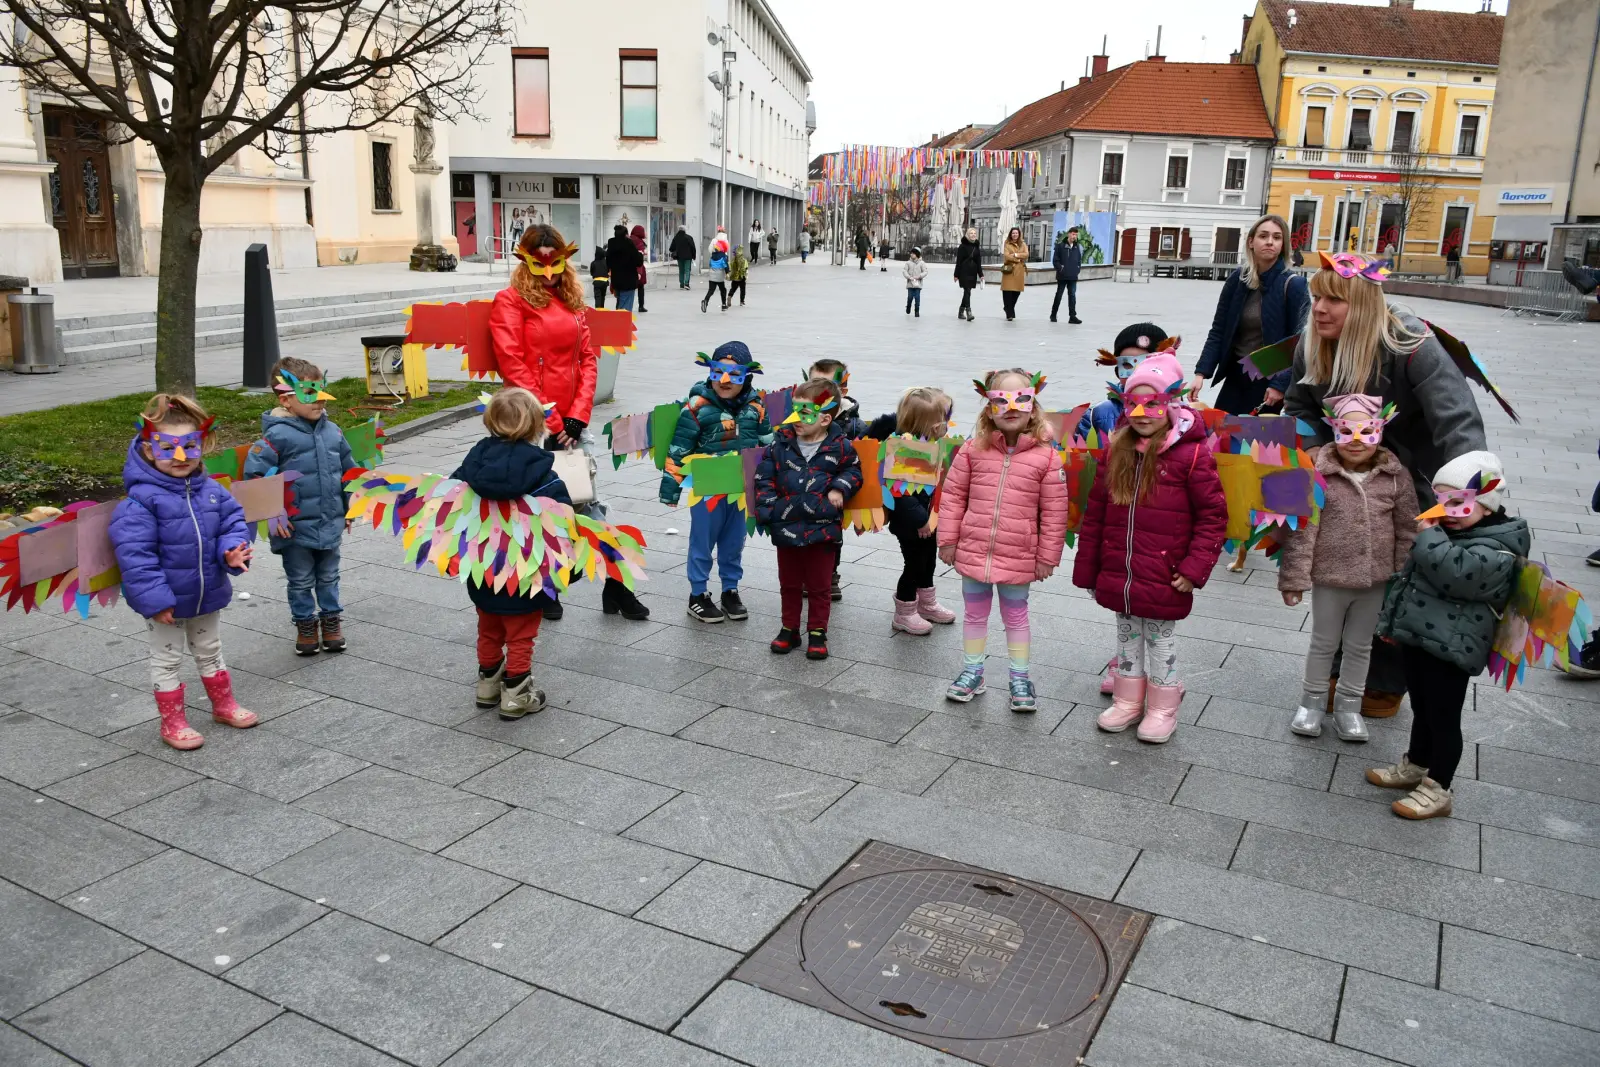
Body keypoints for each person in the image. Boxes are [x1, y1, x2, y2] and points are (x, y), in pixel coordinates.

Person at [1282, 250, 1486, 717]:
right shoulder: (1311, 344)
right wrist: (1313, 450)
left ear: (1364, 305)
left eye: (1335, 300)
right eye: (1316, 297)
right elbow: (1299, 406)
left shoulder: (1412, 343)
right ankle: (1336, 669)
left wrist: (1466, 490)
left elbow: (1457, 419)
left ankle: (1386, 679)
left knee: (1397, 576)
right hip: (1345, 475)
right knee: (1343, 564)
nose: (1319, 309)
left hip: (1412, 477)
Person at [490, 222, 649, 621]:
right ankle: (547, 589)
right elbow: (515, 366)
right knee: (538, 514)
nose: (549, 272)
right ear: (525, 261)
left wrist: (577, 417)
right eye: (539, 263)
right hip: (529, 426)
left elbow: (588, 360)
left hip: (572, 425)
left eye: (556, 262)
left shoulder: (572, 301)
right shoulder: (510, 302)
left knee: (589, 506)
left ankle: (617, 585)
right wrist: (553, 420)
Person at [1073, 353, 1228, 743]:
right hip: (1122, 572)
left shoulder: (1191, 455)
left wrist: (1194, 570)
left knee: (1160, 641)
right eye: (1133, 404)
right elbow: (1097, 513)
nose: (1142, 412)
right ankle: (1128, 700)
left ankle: (1163, 707)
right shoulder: (1116, 450)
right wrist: (1089, 568)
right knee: (1126, 638)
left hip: (1164, 573)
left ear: (1171, 403)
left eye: (1152, 403)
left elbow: (1213, 516)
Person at [1372, 451, 1529, 820]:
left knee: (1443, 717)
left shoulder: (1498, 546)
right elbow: (1408, 581)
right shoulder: (1446, 534)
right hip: (1421, 638)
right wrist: (1393, 625)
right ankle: (1417, 763)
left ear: (1487, 506)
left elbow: (1459, 575)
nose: (1446, 510)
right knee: (1422, 707)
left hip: (1454, 647)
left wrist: (1429, 539)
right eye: (1442, 501)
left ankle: (1439, 787)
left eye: (1458, 503)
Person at [111, 393, 255, 751]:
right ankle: (172, 722)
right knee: (167, 659)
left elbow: (234, 521)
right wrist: (155, 600)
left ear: (201, 445)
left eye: (189, 447)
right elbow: (135, 555)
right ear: (148, 450)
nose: (180, 457)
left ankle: (223, 705)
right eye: (167, 448)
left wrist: (232, 550)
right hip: (167, 602)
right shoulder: (141, 501)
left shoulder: (211, 491)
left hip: (207, 593)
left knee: (210, 649)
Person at [1279, 394, 1417, 742]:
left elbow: (1408, 532)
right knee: (1323, 643)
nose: (1356, 442)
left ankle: (1348, 707)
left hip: (1376, 581)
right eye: (1346, 432)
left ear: (1380, 431)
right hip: (1330, 578)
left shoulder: (1396, 477)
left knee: (1360, 646)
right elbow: (1303, 529)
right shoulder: (1319, 475)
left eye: (1366, 431)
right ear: (1333, 431)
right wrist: (1294, 578)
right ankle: (1311, 703)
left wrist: (1402, 581)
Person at [939, 370, 1068, 712]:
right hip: (974, 547)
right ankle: (973, 671)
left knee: (1016, 617)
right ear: (989, 408)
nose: (1011, 408)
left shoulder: (1047, 457)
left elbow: (1055, 512)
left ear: (1033, 406)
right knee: (975, 615)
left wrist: (1047, 557)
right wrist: (948, 539)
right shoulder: (971, 450)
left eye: (1020, 399)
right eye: (1001, 400)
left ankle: (1020, 677)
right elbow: (952, 497)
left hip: (1019, 553)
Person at [1189, 213, 1311, 570]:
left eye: (1277, 237)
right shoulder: (1237, 281)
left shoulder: (1293, 285)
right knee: (1224, 455)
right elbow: (1217, 330)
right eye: (1263, 236)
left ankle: (1262, 534)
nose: (1270, 242)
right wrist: (1200, 372)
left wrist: (1278, 385)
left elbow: (1299, 343)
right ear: (1251, 242)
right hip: (1238, 380)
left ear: (1284, 244)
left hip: (1270, 387)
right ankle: (1229, 524)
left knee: (1263, 463)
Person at [456, 389, 570, 720]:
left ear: (490, 421)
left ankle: (488, 687)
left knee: (488, 627)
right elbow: (563, 519)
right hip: (525, 570)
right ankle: (517, 695)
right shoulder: (543, 474)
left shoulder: (472, 466)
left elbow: (451, 504)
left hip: (483, 568)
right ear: (537, 426)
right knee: (521, 635)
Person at [243, 357, 356, 655]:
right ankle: (306, 624)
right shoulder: (275, 436)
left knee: (330, 575)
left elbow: (349, 472)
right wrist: (274, 512)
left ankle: (331, 621)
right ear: (286, 399)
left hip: (329, 519)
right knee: (301, 579)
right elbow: (255, 479)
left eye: (322, 392)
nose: (319, 401)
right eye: (310, 394)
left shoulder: (333, 432)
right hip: (293, 528)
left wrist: (351, 505)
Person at [661, 342, 771, 623]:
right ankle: (698, 593)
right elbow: (679, 446)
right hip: (707, 487)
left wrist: (773, 481)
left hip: (740, 488)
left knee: (734, 542)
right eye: (718, 372)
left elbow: (768, 444)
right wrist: (670, 489)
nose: (724, 381)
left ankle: (730, 589)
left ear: (747, 377)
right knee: (702, 541)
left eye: (733, 375)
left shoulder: (756, 406)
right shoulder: (697, 407)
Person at [755, 377, 864, 660]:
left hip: (823, 530)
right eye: (794, 410)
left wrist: (841, 487)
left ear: (826, 418)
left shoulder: (840, 447)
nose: (795, 419)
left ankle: (817, 631)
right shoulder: (780, 445)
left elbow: (854, 472)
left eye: (804, 413)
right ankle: (789, 628)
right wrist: (769, 510)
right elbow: (764, 478)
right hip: (787, 527)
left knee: (819, 586)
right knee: (789, 583)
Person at [871, 387, 956, 635]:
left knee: (928, 560)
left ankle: (926, 603)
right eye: (944, 419)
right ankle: (905, 611)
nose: (948, 424)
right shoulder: (901, 449)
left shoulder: (931, 444)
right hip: (911, 523)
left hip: (927, 519)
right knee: (914, 564)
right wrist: (921, 521)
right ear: (928, 424)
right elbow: (901, 492)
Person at [1076, 323, 1175, 443]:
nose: (1136, 373)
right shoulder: (1096, 415)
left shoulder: (1183, 416)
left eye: (1146, 364)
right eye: (1127, 365)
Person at [605, 223, 641, 311]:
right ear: (626, 234)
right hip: (628, 280)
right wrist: (640, 254)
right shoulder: (629, 244)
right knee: (625, 308)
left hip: (616, 280)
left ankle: (618, 321)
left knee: (620, 302)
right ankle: (621, 323)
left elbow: (608, 262)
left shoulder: (611, 243)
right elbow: (638, 261)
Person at [1051, 226, 1083, 324]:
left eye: (1076, 235)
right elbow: (1055, 261)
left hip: (1073, 276)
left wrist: (1077, 269)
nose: (1074, 236)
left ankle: (1072, 316)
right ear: (1069, 234)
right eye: (1073, 234)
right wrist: (1061, 269)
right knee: (1059, 295)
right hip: (1062, 275)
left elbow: (1079, 260)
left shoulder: (1077, 247)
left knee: (1072, 295)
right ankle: (1053, 314)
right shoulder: (1060, 246)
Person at [954, 227, 982, 321]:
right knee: (967, 291)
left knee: (968, 291)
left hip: (972, 272)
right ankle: (968, 312)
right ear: (967, 235)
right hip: (964, 271)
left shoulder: (976, 246)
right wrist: (956, 275)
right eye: (971, 233)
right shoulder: (962, 246)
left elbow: (978, 262)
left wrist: (981, 274)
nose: (973, 235)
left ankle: (961, 311)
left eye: (974, 233)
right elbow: (958, 261)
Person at [1000, 227, 1027, 320]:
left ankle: (1008, 308)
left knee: (1017, 292)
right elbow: (1007, 256)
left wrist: (1015, 255)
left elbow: (1026, 254)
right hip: (1009, 269)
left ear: (1019, 234)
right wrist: (1018, 258)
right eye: (1013, 233)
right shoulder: (1007, 243)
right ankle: (1009, 314)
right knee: (1007, 291)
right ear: (1010, 234)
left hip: (1019, 271)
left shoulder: (1023, 244)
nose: (1015, 235)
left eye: (1016, 233)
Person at [702, 227, 730, 312]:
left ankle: (705, 301)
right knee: (723, 289)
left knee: (711, 290)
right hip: (719, 275)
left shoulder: (712, 256)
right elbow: (725, 265)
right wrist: (727, 273)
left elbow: (710, 251)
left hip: (712, 274)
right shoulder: (725, 243)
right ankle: (723, 305)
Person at [629, 224, 649, 313]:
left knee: (630, 289)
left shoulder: (629, 239)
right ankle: (641, 306)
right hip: (638, 267)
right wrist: (639, 272)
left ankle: (628, 306)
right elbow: (639, 257)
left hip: (628, 266)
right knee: (640, 287)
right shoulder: (639, 242)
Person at [903, 246, 927, 316]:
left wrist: (919, 276)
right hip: (910, 284)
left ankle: (917, 310)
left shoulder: (921, 263)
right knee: (910, 297)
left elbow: (925, 271)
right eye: (911, 253)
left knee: (917, 298)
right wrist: (908, 277)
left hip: (918, 284)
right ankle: (908, 306)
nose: (911, 255)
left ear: (917, 254)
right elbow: (904, 271)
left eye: (913, 253)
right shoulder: (908, 263)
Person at [670, 224, 696, 289]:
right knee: (687, 270)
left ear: (679, 230)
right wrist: (693, 256)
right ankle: (686, 284)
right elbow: (693, 247)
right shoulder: (689, 237)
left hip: (679, 257)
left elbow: (671, 248)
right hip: (688, 257)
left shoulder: (676, 238)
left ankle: (681, 284)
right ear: (685, 230)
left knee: (681, 270)